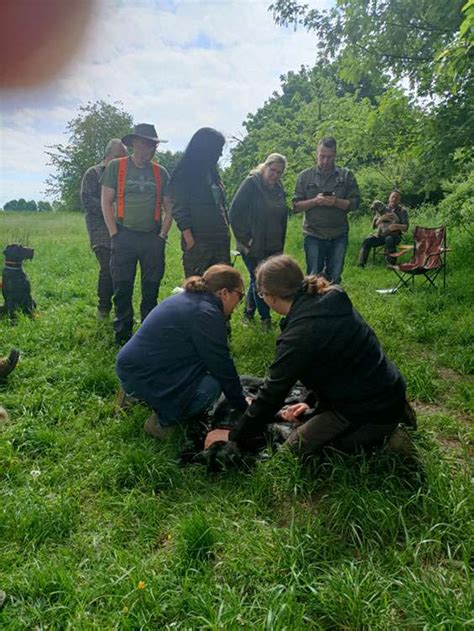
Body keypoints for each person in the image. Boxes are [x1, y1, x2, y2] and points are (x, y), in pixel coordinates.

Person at [206, 255, 414, 459]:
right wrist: (310, 401)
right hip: (384, 389)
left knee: (292, 453)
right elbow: (335, 363)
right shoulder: (331, 296)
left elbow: (272, 394)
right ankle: (385, 423)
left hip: (366, 407)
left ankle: (386, 440)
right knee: (303, 423)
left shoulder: (299, 336)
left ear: (270, 296)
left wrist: (234, 435)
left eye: (260, 295)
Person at [116, 265, 248, 438]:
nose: (238, 304)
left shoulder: (189, 298)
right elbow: (221, 364)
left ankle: (135, 395)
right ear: (224, 292)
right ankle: (162, 423)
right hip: (142, 374)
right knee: (210, 387)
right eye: (240, 296)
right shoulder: (207, 313)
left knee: (201, 372)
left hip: (131, 368)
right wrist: (243, 405)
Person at [101, 123, 173, 345]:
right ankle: (123, 335)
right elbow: (106, 201)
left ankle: (148, 333)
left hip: (152, 238)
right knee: (122, 287)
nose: (148, 149)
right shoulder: (117, 167)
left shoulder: (160, 173)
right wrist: (115, 234)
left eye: (152, 145)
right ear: (133, 144)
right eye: (143, 143)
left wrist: (162, 236)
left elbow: (170, 207)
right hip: (124, 236)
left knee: (151, 288)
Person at [229, 153, 288, 331]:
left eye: (279, 172)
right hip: (252, 245)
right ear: (265, 166)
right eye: (272, 170)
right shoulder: (251, 183)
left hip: (273, 243)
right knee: (260, 280)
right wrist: (246, 239)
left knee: (259, 280)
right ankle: (265, 319)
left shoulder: (278, 188)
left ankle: (248, 312)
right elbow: (233, 212)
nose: (275, 175)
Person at [293, 137, 360, 283]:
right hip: (313, 234)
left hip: (339, 234)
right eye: (322, 156)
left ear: (335, 154)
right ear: (317, 153)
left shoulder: (347, 175)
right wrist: (315, 201)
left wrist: (336, 202)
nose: (325, 161)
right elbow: (296, 206)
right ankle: (313, 305)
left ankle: (331, 304)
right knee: (313, 277)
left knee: (335, 277)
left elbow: (355, 204)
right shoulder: (304, 176)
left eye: (329, 157)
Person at [169, 128, 231, 277]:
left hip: (220, 239)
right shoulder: (184, 174)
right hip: (198, 240)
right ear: (206, 149)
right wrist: (190, 241)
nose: (220, 154)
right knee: (199, 286)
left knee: (221, 284)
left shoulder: (213, 174)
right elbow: (179, 209)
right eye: (218, 149)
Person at [81, 138, 127, 318]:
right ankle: (103, 308)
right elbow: (86, 199)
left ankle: (121, 309)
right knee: (107, 268)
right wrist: (109, 209)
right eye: (117, 156)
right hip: (100, 228)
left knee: (121, 269)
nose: (121, 160)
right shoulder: (93, 173)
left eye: (123, 157)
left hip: (121, 228)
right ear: (107, 155)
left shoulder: (123, 175)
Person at [358, 191, 409, 267]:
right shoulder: (381, 208)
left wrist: (397, 226)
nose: (394, 199)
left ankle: (391, 264)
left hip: (395, 235)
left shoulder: (402, 211)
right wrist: (381, 219)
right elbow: (374, 226)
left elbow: (406, 228)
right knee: (367, 240)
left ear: (399, 200)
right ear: (389, 198)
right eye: (393, 197)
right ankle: (361, 264)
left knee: (389, 239)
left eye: (397, 198)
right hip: (381, 235)